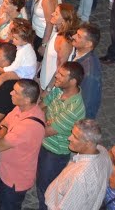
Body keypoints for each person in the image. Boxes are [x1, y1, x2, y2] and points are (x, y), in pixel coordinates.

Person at [34, 63, 87, 210]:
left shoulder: (74, 108)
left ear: (73, 81)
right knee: (40, 180)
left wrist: (43, 122)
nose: (56, 76)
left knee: (46, 187)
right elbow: (42, 105)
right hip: (44, 143)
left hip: (55, 153)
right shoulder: (58, 89)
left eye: (62, 75)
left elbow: (46, 131)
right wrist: (45, 120)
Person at [0, 79, 47, 210]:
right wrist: (4, 129)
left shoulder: (27, 127)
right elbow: (4, 122)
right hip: (6, 171)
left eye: (16, 92)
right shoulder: (21, 108)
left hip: (14, 180)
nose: (11, 93)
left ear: (27, 99)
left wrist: (2, 130)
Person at [43, 119, 111, 210]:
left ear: (88, 143)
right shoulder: (102, 150)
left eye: (75, 137)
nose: (69, 138)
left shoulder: (80, 177)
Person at [69, 24, 103, 119]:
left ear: (88, 44)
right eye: (76, 33)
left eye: (79, 36)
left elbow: (88, 102)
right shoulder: (78, 53)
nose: (73, 36)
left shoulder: (89, 73)